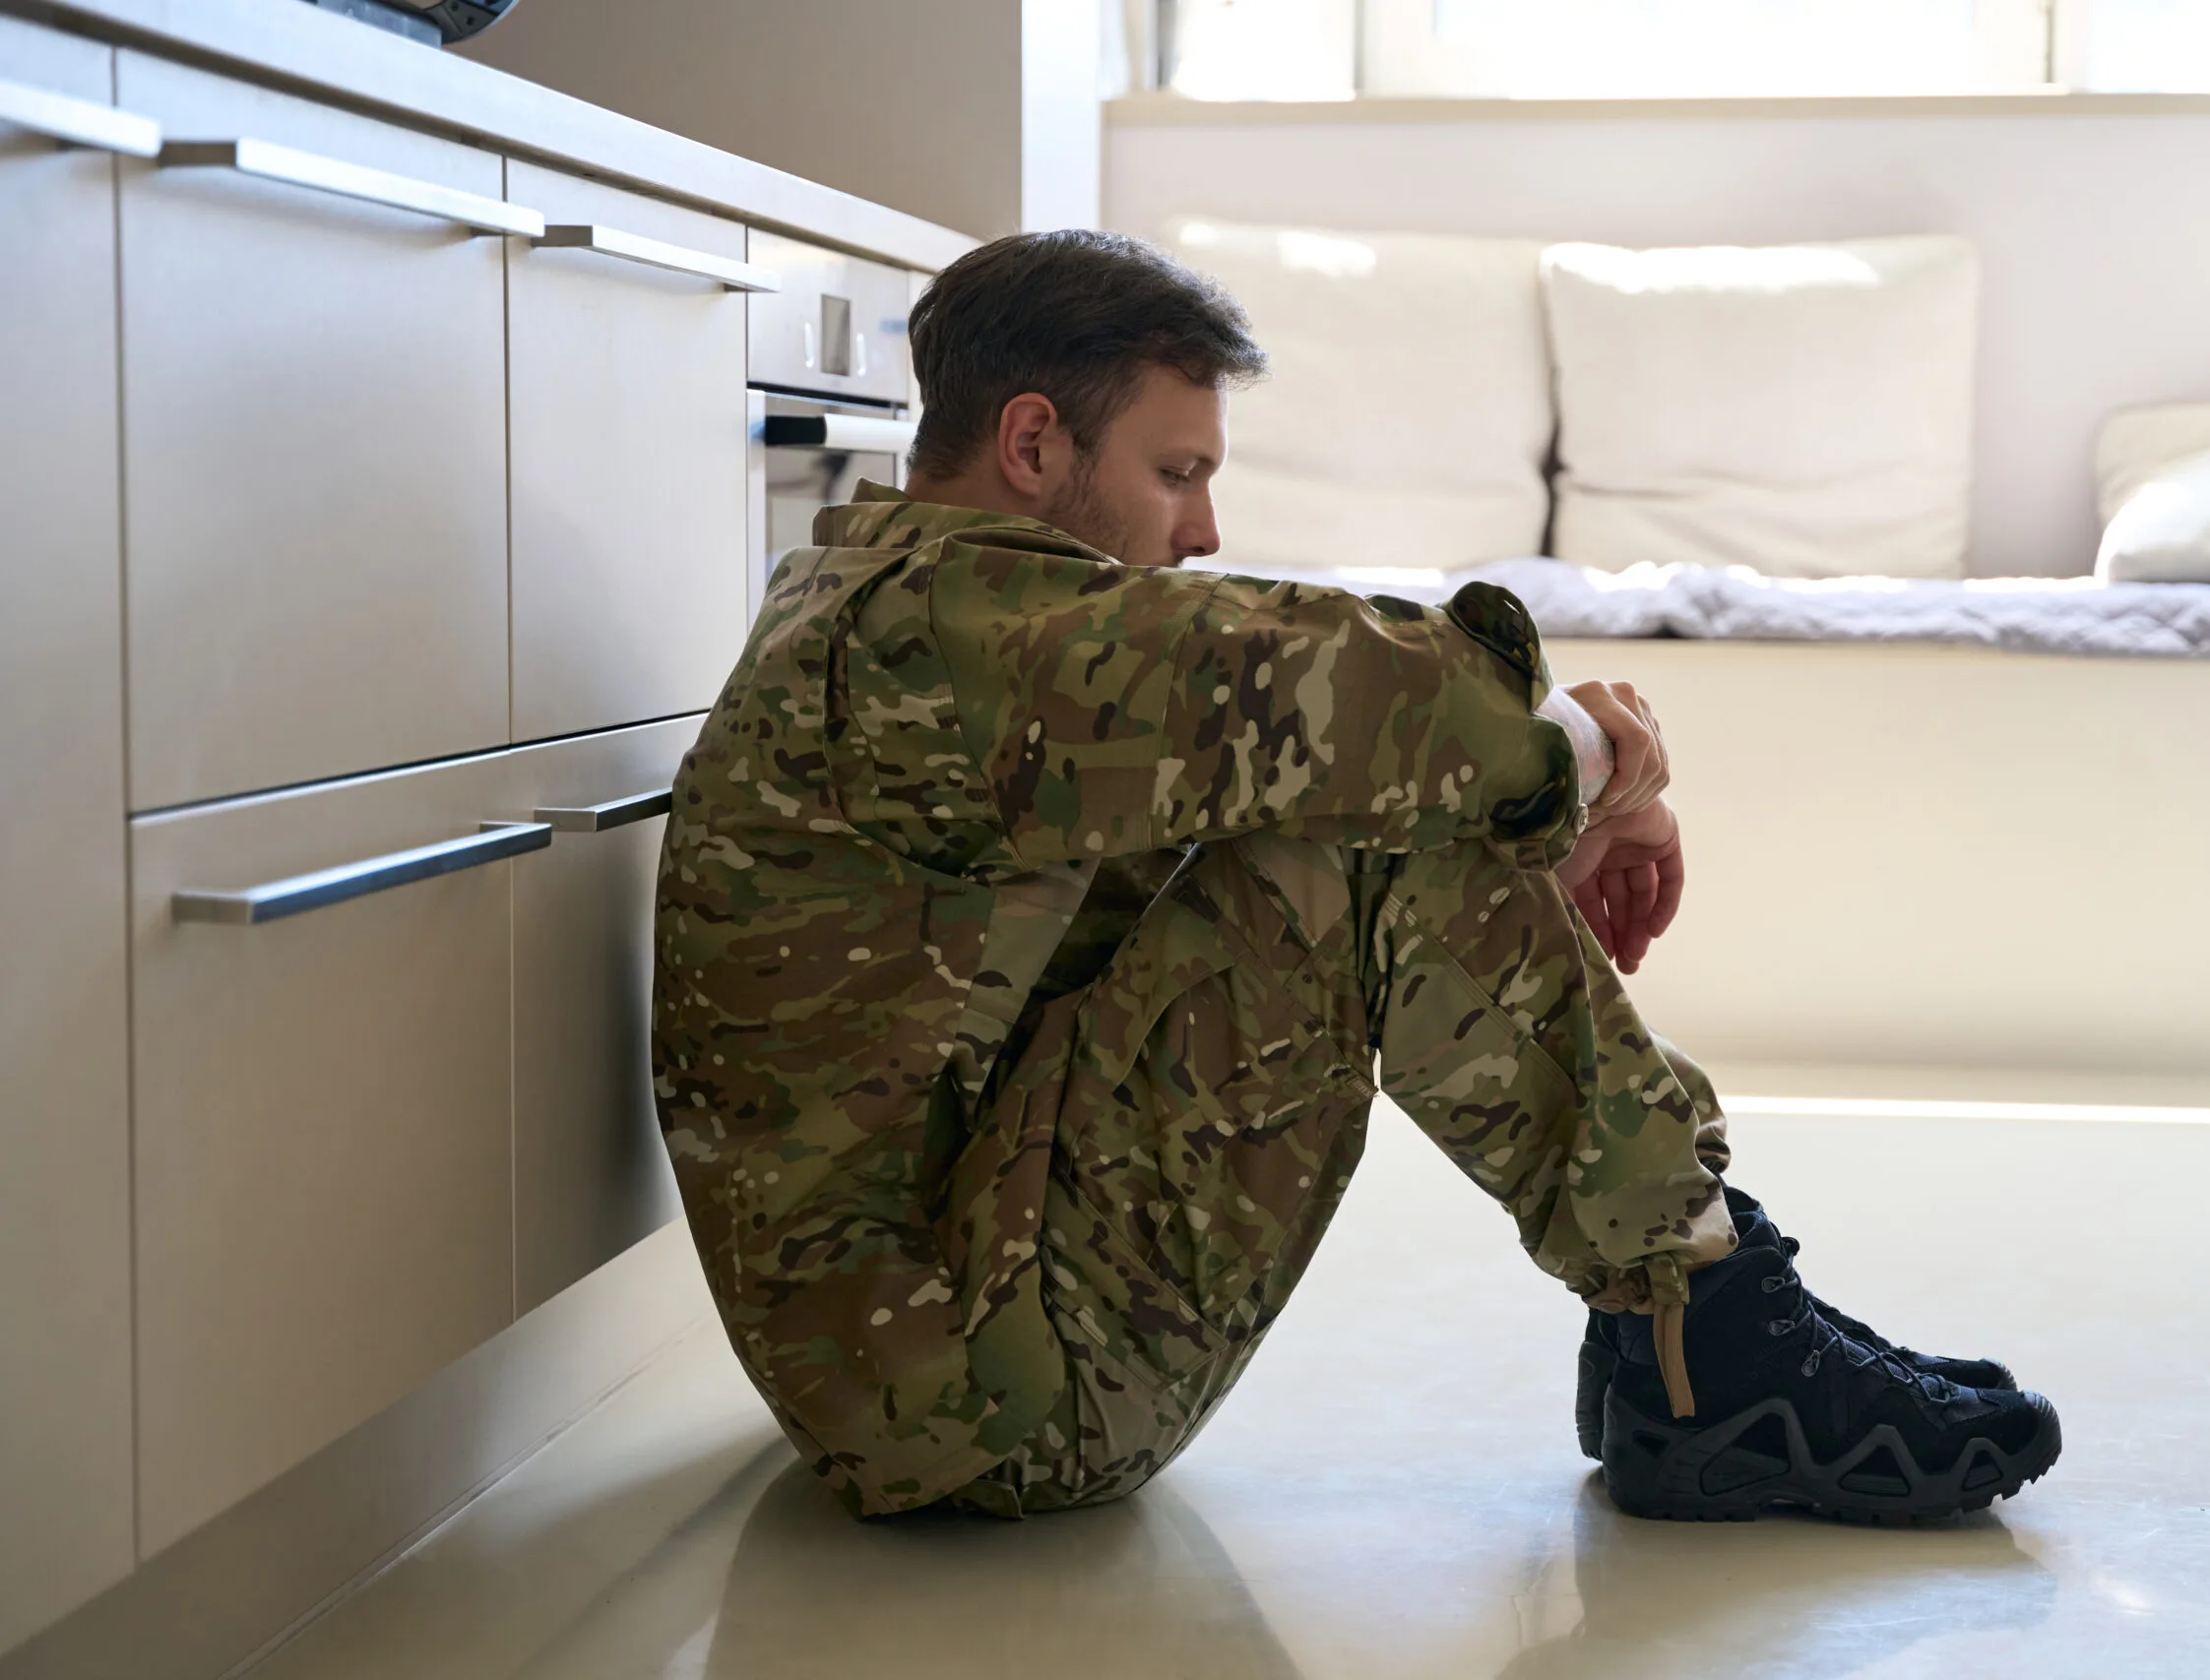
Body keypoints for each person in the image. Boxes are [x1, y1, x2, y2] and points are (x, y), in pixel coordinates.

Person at [651, 229, 2060, 1524]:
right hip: (978, 1400)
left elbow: (1184, 838)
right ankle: (1711, 1337)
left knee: (1360, 822)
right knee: (1355, 839)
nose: (1200, 532)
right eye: (1176, 471)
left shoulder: (896, 603)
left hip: (924, 1338)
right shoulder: (947, 638)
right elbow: (1358, 693)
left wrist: (1525, 825)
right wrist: (1593, 753)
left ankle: (1692, 1328)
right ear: (1031, 443)